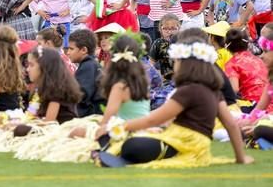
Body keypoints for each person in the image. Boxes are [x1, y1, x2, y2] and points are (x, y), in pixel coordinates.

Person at [97, 36, 253, 168]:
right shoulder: (213, 90)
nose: (174, 65)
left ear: (186, 64)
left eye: (176, 61)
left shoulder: (187, 91)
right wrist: (241, 157)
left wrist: (117, 127)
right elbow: (231, 124)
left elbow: (154, 119)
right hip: (198, 147)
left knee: (131, 146)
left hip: (180, 143)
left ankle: (124, 152)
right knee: (136, 142)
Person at [94, 34, 151, 140]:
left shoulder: (120, 87)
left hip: (126, 133)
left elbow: (107, 119)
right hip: (142, 129)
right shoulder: (142, 81)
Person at [25, 46, 81, 123]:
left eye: (31, 65)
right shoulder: (39, 88)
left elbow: (49, 122)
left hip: (61, 131)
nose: (27, 69)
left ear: (44, 67)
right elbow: (31, 114)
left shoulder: (56, 90)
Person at [224, 27, 268, 103]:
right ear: (247, 43)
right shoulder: (257, 59)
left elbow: (234, 89)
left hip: (253, 103)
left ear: (227, 46)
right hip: (268, 99)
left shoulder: (231, 64)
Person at [67, 29, 104, 116]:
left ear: (84, 50)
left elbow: (81, 94)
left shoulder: (88, 66)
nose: (68, 52)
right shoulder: (90, 64)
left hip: (90, 116)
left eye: (71, 49)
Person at [149, 13, 180, 81]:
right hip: (164, 79)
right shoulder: (158, 43)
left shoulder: (182, 43)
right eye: (165, 29)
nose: (169, 32)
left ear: (179, 28)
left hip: (180, 79)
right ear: (160, 29)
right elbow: (151, 63)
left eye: (173, 29)